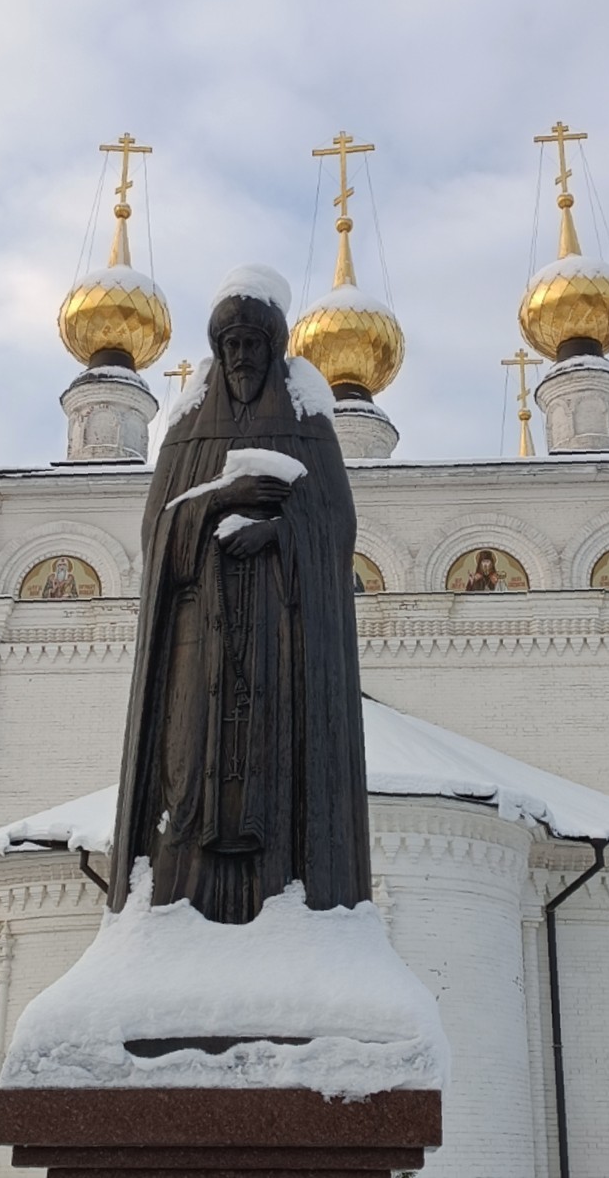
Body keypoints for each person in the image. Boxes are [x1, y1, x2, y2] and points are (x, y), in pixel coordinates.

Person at [109, 267, 371, 924]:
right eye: (231, 345)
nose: (242, 357)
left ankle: (276, 897)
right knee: (185, 767)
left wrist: (279, 532)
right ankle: (177, 902)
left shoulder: (308, 424)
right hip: (198, 638)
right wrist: (222, 498)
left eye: (254, 344)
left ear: (274, 349)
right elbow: (158, 534)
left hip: (279, 640)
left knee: (276, 769)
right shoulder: (187, 432)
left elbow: (335, 529)